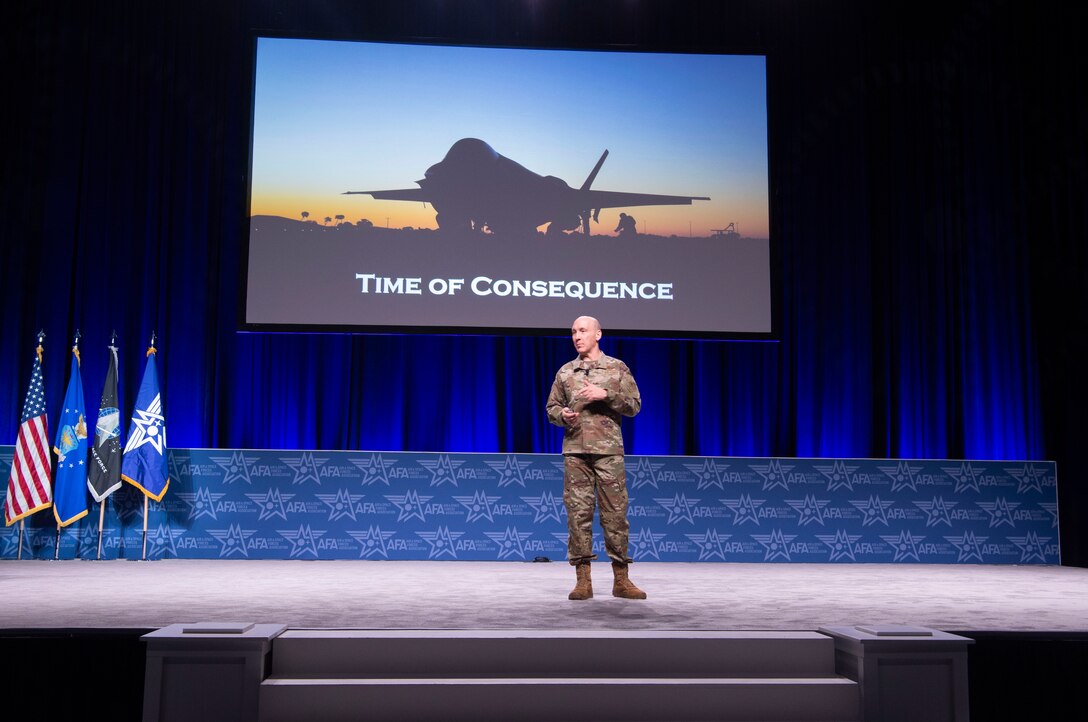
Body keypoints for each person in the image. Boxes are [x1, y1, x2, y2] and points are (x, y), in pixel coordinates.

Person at [546, 315, 646, 600]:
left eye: (583, 331)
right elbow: (551, 407)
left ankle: (621, 579)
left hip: (608, 453)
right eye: (574, 332)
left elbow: (634, 405)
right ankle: (583, 580)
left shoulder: (616, 368)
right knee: (578, 516)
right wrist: (561, 415)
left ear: (598, 334)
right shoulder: (566, 372)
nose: (577, 336)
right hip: (575, 451)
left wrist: (606, 394)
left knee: (615, 515)